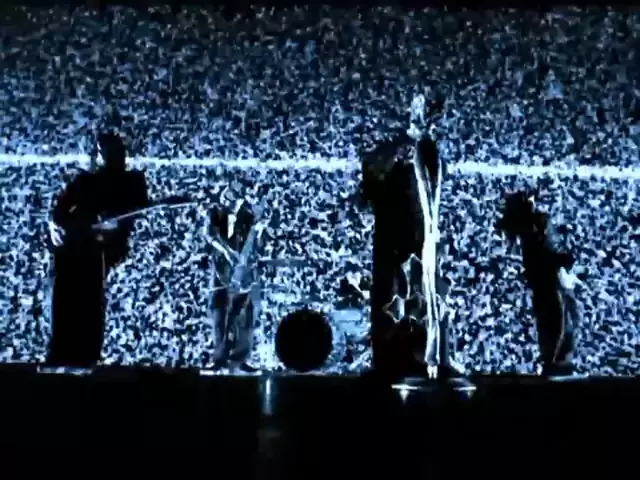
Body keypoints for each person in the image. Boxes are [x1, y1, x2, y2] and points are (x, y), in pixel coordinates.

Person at [361, 94, 460, 379]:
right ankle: (394, 360)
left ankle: (431, 357)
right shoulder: (387, 175)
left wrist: (424, 137)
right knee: (394, 305)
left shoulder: (419, 173)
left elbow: (435, 170)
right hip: (394, 250)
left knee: (429, 302)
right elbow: (373, 167)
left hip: (420, 246)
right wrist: (407, 139)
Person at [46, 132, 154, 368]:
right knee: (64, 297)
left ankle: (86, 354)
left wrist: (115, 222)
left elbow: (138, 211)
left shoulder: (131, 182)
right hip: (75, 245)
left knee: (90, 300)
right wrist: (55, 224)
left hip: (100, 249)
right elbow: (60, 210)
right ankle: (60, 352)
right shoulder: (86, 180)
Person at [496, 190, 582, 376]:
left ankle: (555, 362)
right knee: (561, 322)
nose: (533, 202)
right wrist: (561, 260)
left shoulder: (531, 227)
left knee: (562, 321)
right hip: (548, 280)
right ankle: (555, 363)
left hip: (547, 280)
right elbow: (543, 256)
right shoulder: (535, 225)